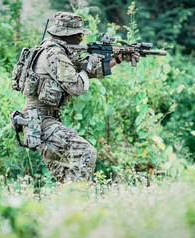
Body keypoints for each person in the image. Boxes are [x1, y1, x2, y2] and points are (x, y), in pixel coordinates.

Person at [11, 12, 139, 182]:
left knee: (66, 178)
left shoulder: (58, 52)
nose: (81, 38)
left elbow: (90, 72)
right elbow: (77, 86)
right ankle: (78, 198)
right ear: (66, 34)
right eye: (78, 34)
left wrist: (119, 58)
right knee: (86, 152)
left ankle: (71, 204)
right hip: (41, 122)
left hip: (41, 122)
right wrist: (88, 64)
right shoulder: (54, 55)